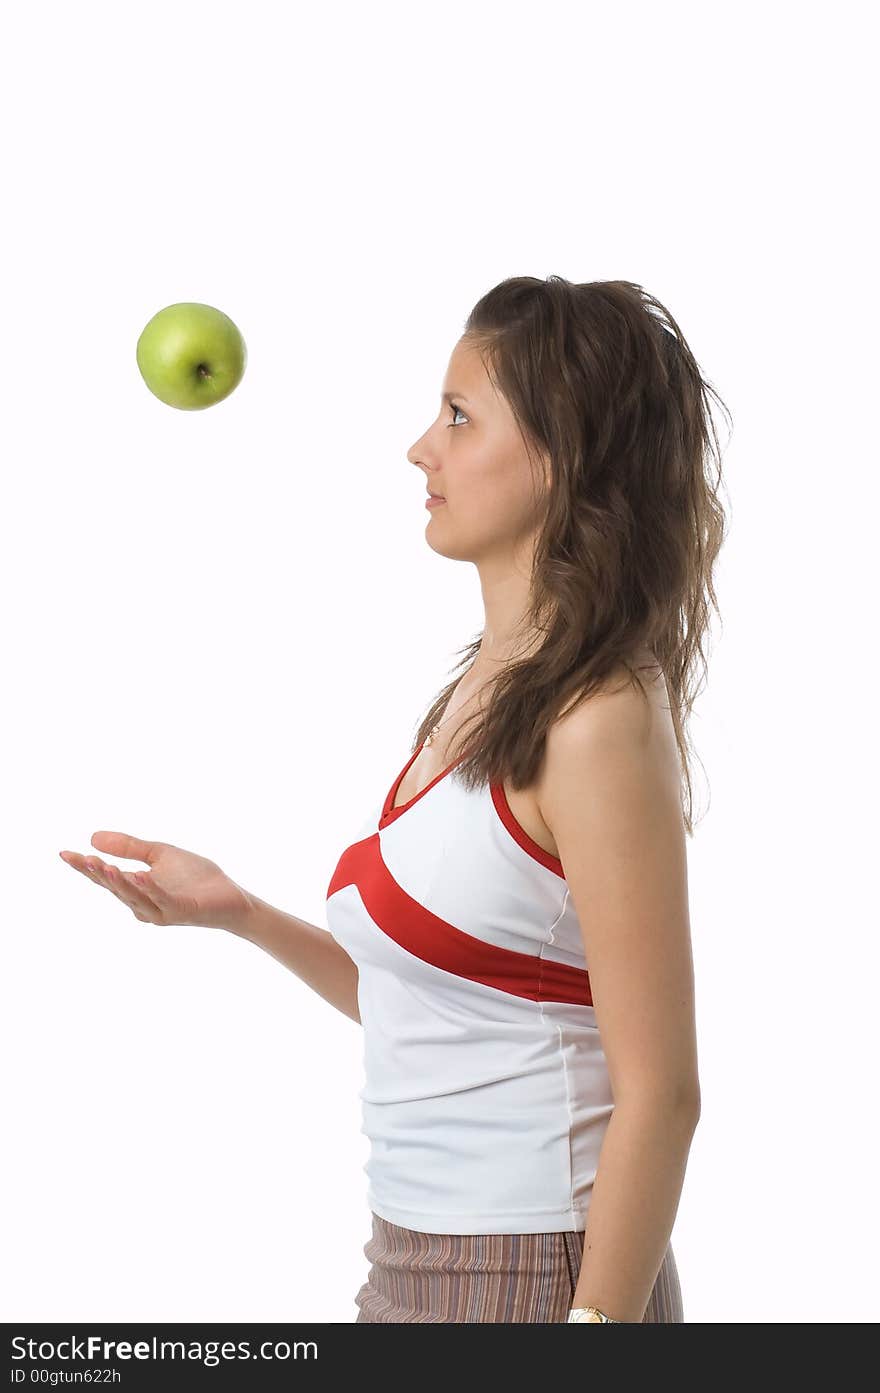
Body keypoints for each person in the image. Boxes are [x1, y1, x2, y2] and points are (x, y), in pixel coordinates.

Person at [60, 275, 730, 1323]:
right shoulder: (485, 690)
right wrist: (241, 914)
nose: (421, 448)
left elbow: (663, 1093)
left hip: (536, 1275)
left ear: (565, 459)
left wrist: (594, 1332)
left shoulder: (595, 720)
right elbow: (429, 1010)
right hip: (414, 1262)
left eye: (459, 418)